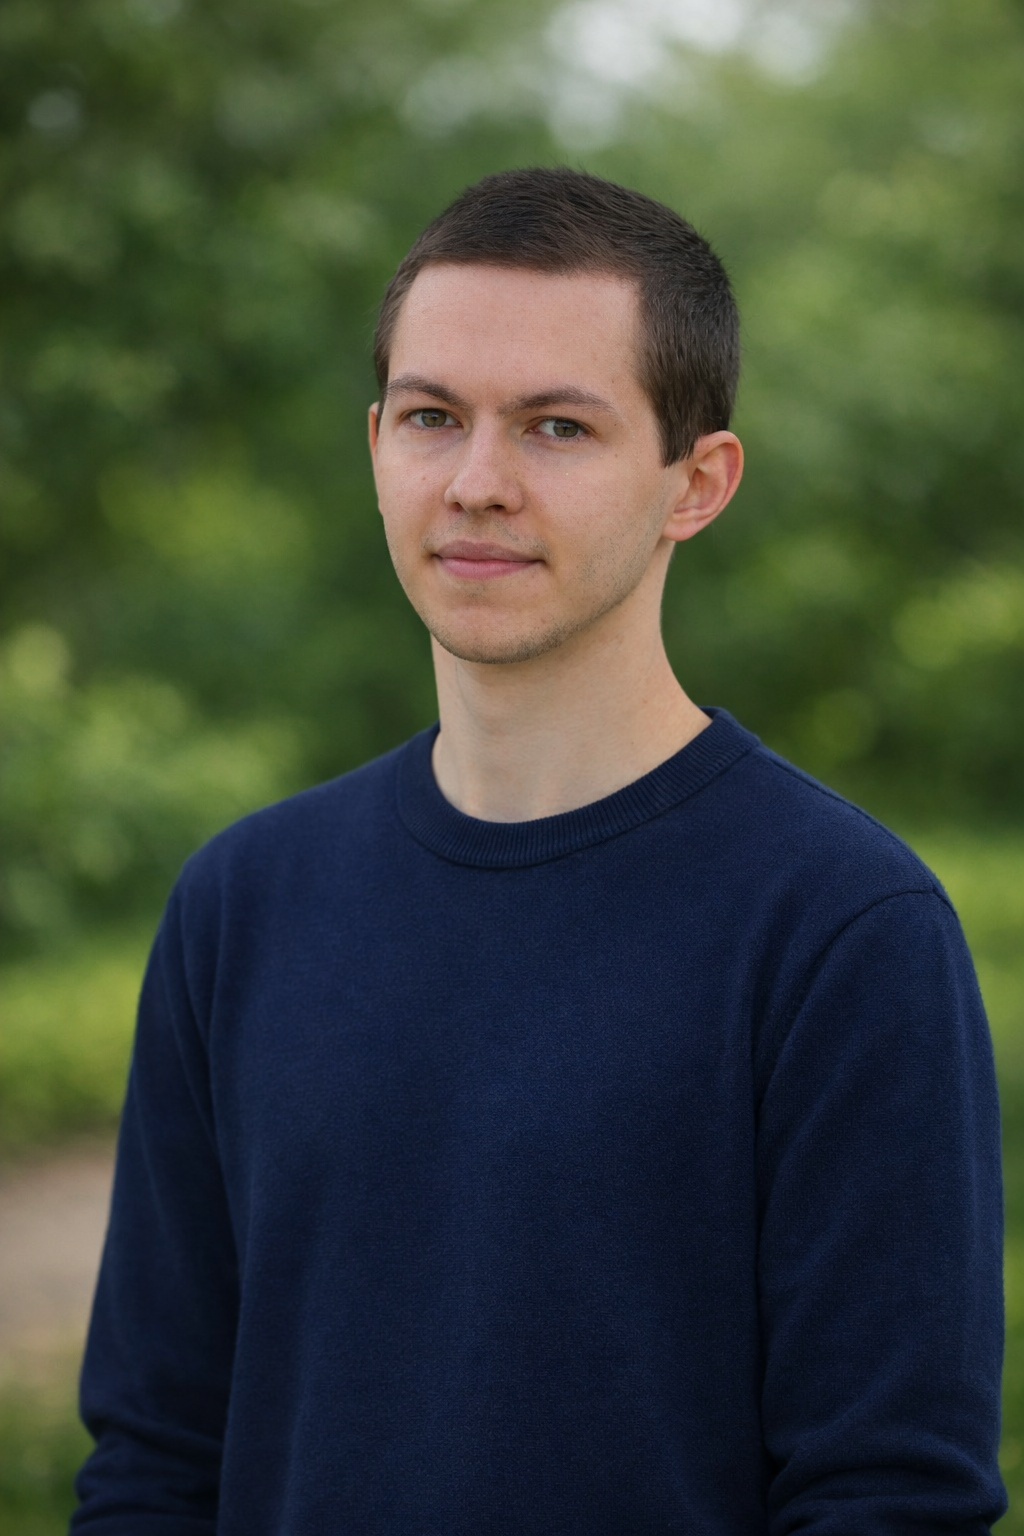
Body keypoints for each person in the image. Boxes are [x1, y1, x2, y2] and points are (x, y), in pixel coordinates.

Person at [71, 168, 1005, 1534]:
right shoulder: (243, 901)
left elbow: (888, 1497)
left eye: (557, 427)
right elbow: (155, 1459)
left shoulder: (842, 927)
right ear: (376, 446)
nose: (477, 484)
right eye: (432, 418)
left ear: (697, 484)